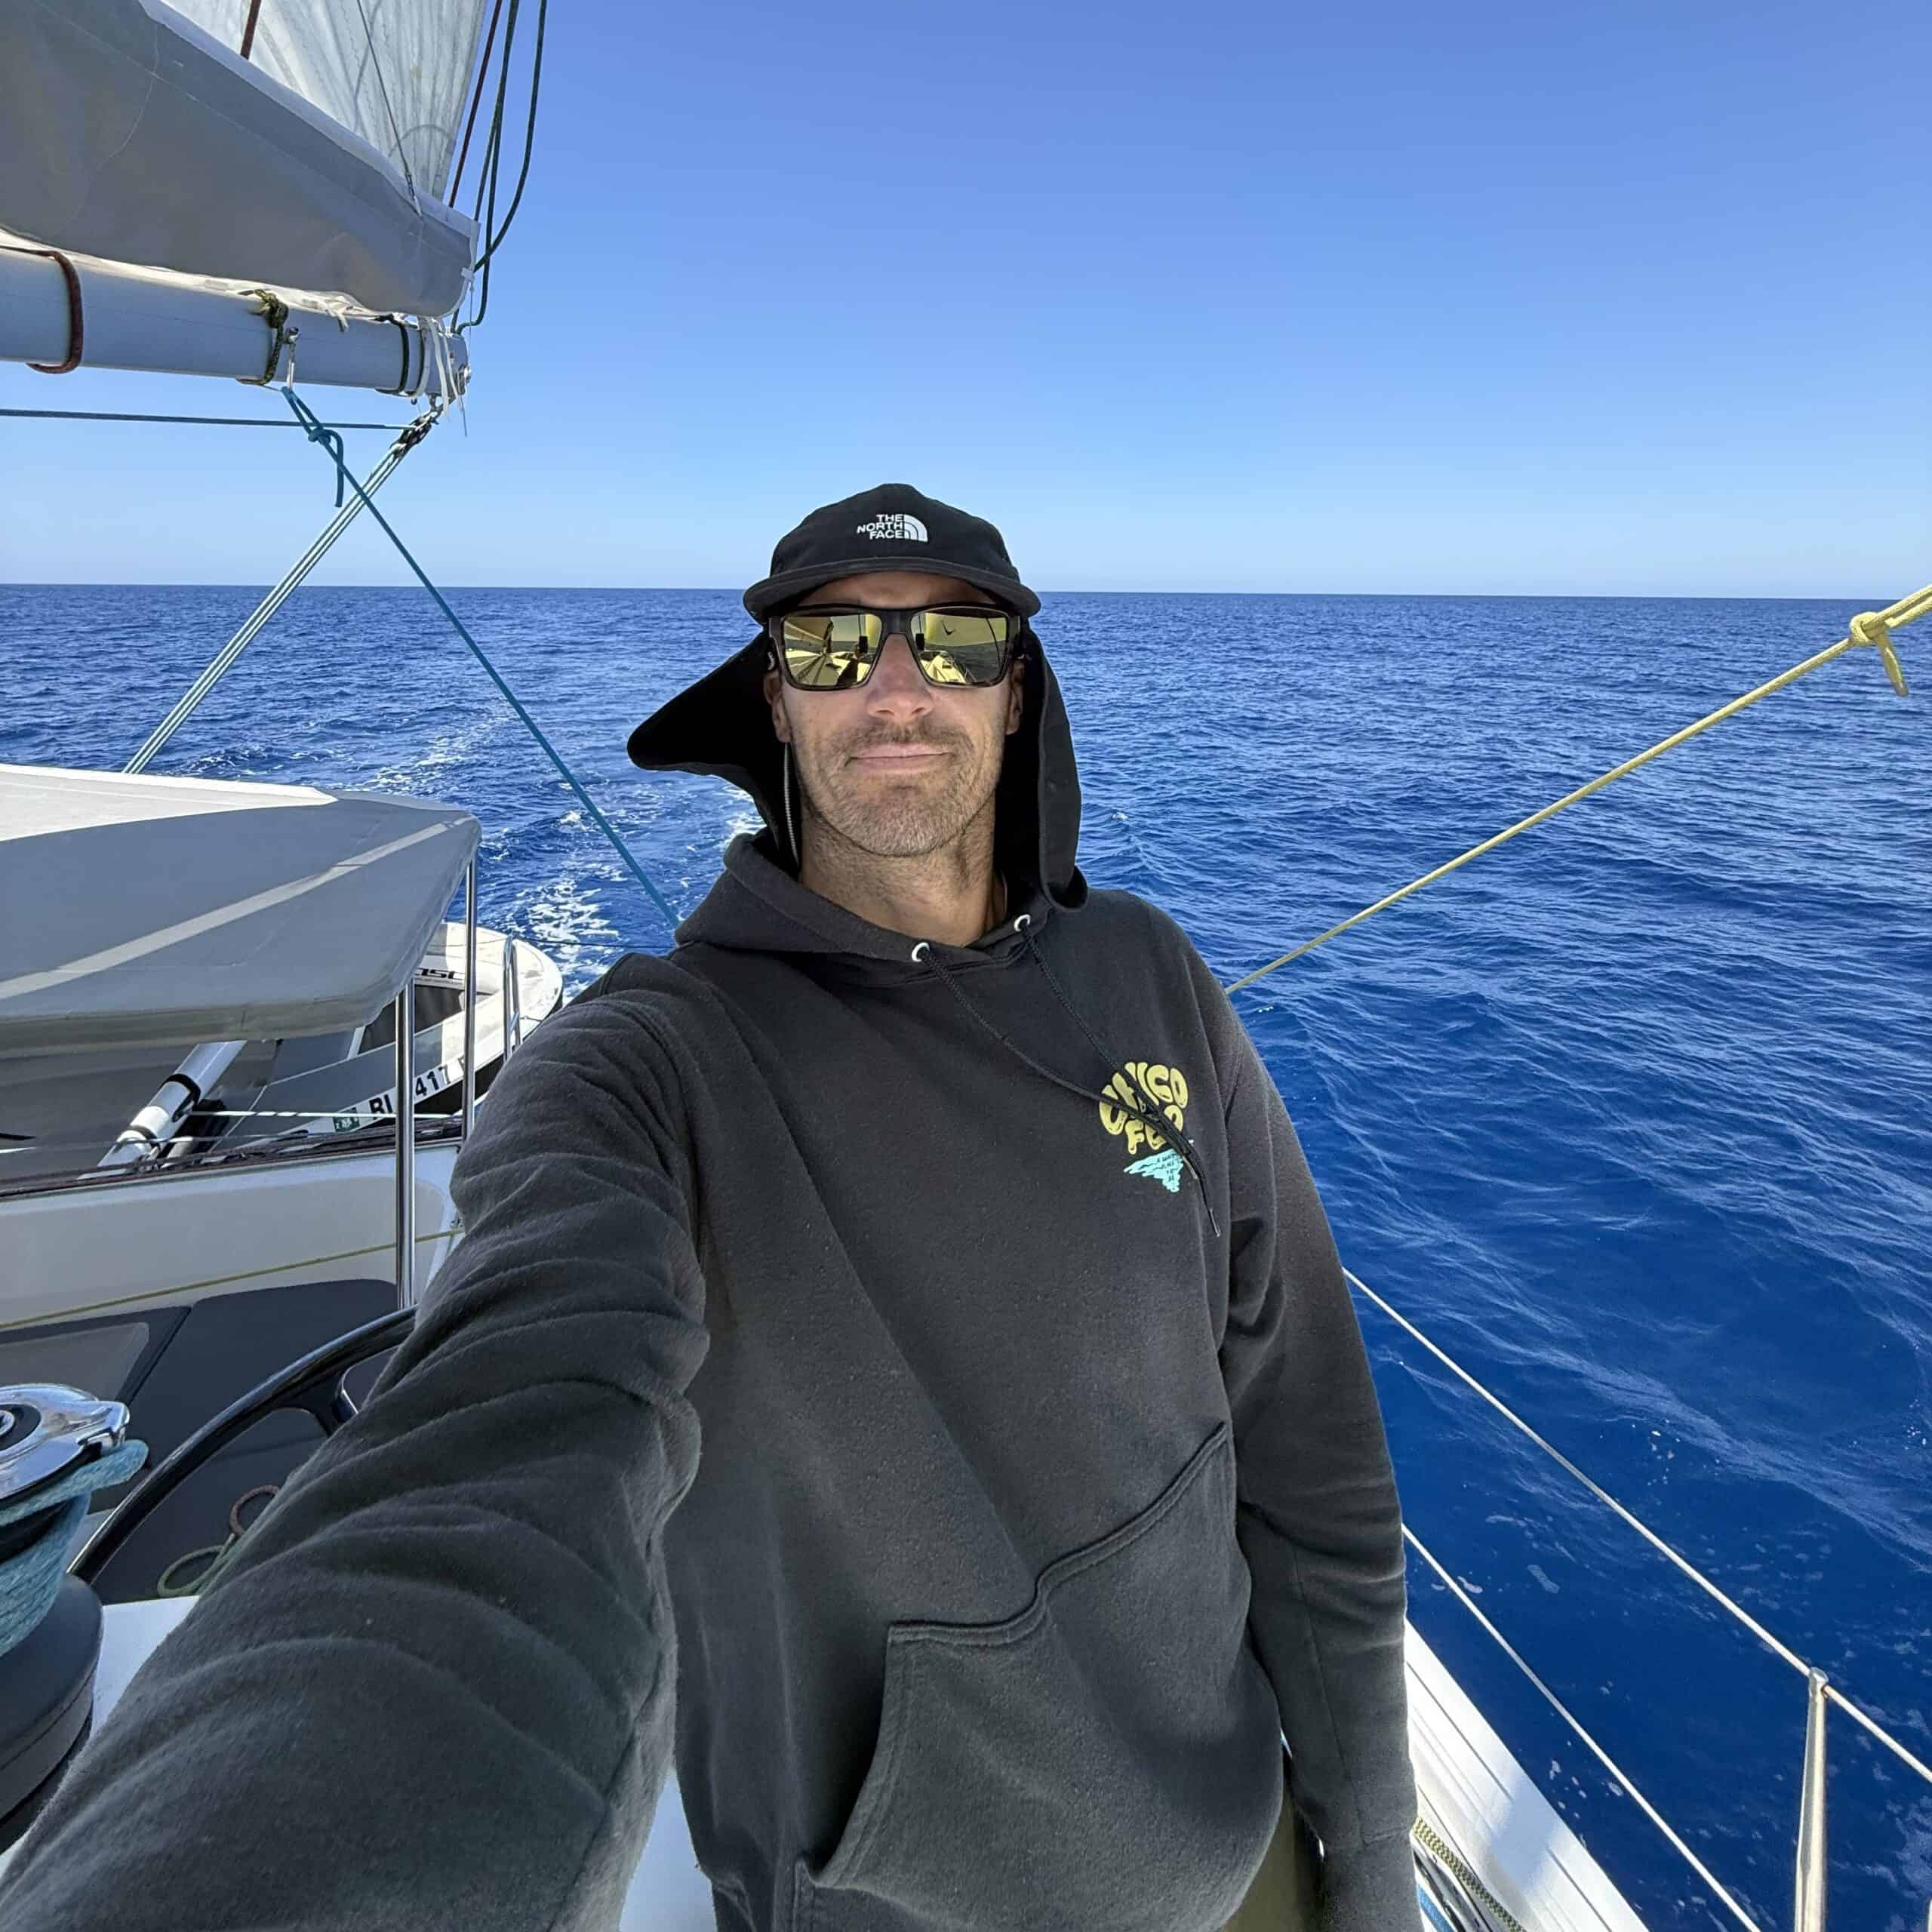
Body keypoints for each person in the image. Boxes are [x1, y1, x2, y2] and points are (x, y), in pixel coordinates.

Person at [0, 485, 1422, 1932]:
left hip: (1245, 1859)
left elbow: (1308, 1436)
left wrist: (1372, 1860)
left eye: (952, 642)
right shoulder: (647, 1068)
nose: (894, 688)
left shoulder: (1150, 975)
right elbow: (507, 1426)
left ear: (1014, 693)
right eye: (830, 646)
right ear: (777, 705)